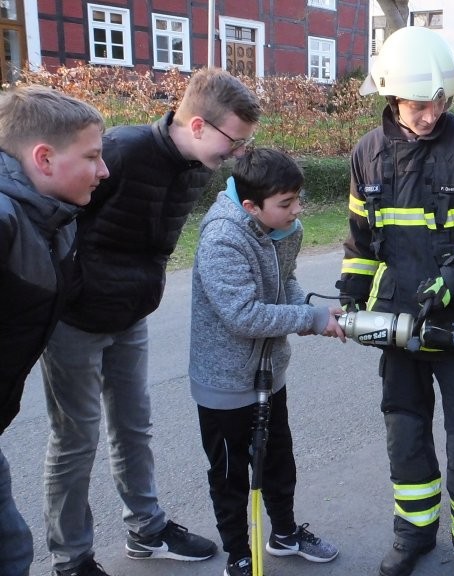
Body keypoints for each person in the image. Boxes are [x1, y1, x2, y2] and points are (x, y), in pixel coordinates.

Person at [39, 68, 262, 576]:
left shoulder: (196, 166)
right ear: (200, 125)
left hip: (131, 315)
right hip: (77, 320)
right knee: (75, 439)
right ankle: (71, 559)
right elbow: (54, 221)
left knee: (134, 427)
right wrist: (69, 291)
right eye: (235, 140)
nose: (238, 153)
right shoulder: (119, 150)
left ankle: (146, 529)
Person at [338, 26, 454, 576]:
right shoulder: (367, 155)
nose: (430, 114)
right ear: (392, 96)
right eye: (420, 104)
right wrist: (351, 297)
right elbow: (360, 242)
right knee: (406, 432)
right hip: (397, 325)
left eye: (439, 101)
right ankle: (413, 534)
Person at [190, 148, 343, 576]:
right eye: (286, 204)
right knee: (230, 472)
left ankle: (285, 533)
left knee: (277, 459)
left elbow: (284, 282)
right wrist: (309, 319)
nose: (297, 210)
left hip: (269, 373)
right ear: (250, 207)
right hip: (224, 382)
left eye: (298, 198)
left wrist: (313, 310)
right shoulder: (222, 238)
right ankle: (239, 552)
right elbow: (243, 315)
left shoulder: (287, 229)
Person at [0, 86, 108, 576]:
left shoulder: (54, 216)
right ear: (44, 158)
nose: (104, 170)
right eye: (92, 156)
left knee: (12, 550)